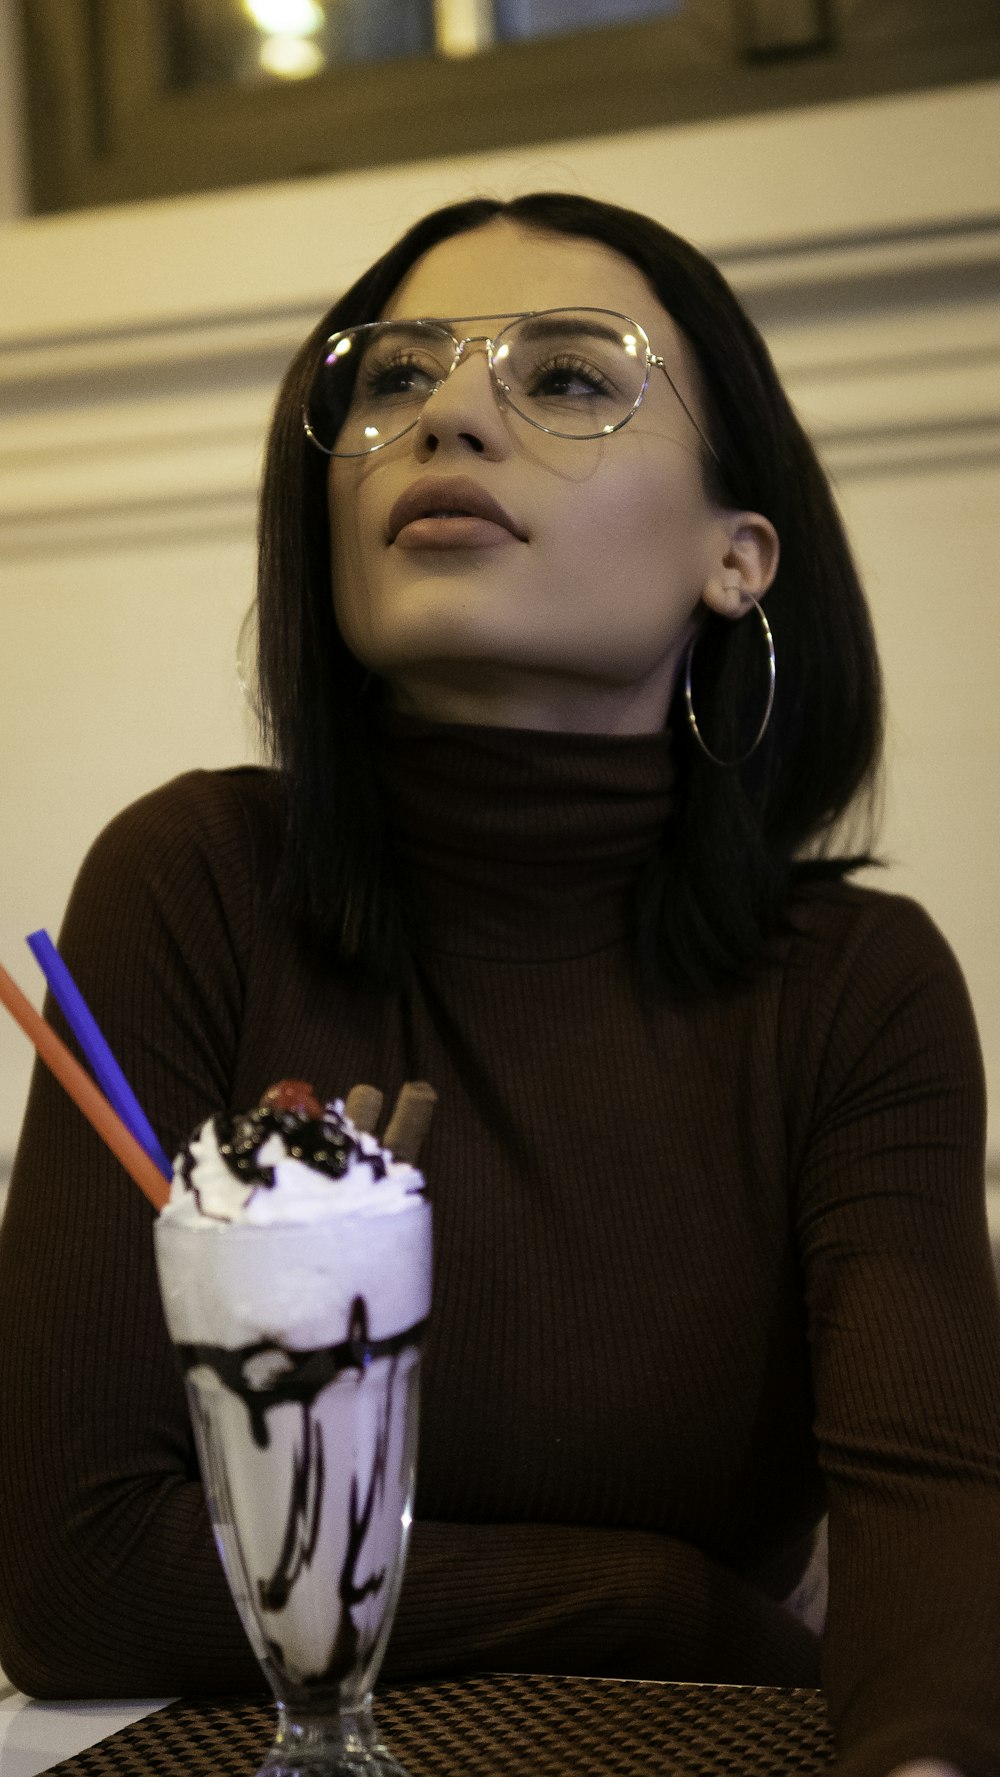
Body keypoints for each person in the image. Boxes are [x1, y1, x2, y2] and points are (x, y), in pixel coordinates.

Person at [0, 192, 997, 1777]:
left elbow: (936, 1532)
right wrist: (655, 1601)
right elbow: (75, 1576)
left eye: (571, 377)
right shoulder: (189, 882)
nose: (447, 410)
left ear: (736, 557)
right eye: (391, 380)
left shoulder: (858, 988)